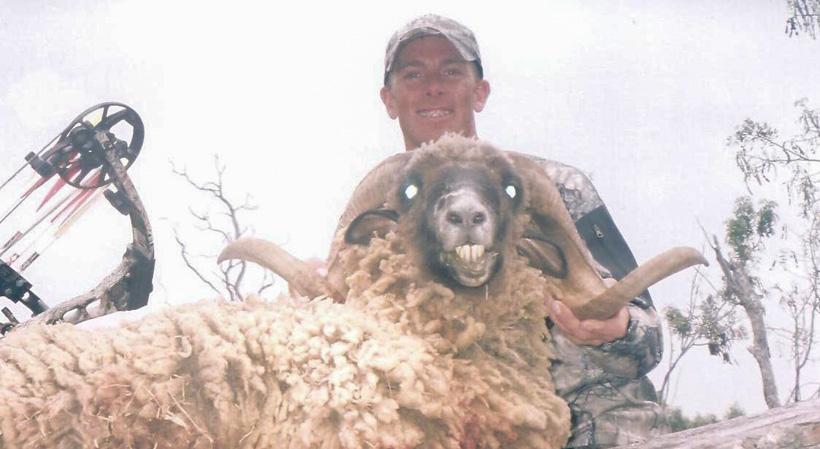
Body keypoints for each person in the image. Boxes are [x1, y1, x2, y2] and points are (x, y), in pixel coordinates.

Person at [379, 14, 664, 449]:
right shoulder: (377, 225)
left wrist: (617, 327)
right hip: (460, 430)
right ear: (389, 99)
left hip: (592, 428)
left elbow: (650, 338)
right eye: (413, 74)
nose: (433, 87)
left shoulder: (557, 189)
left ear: (480, 92)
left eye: (451, 72)